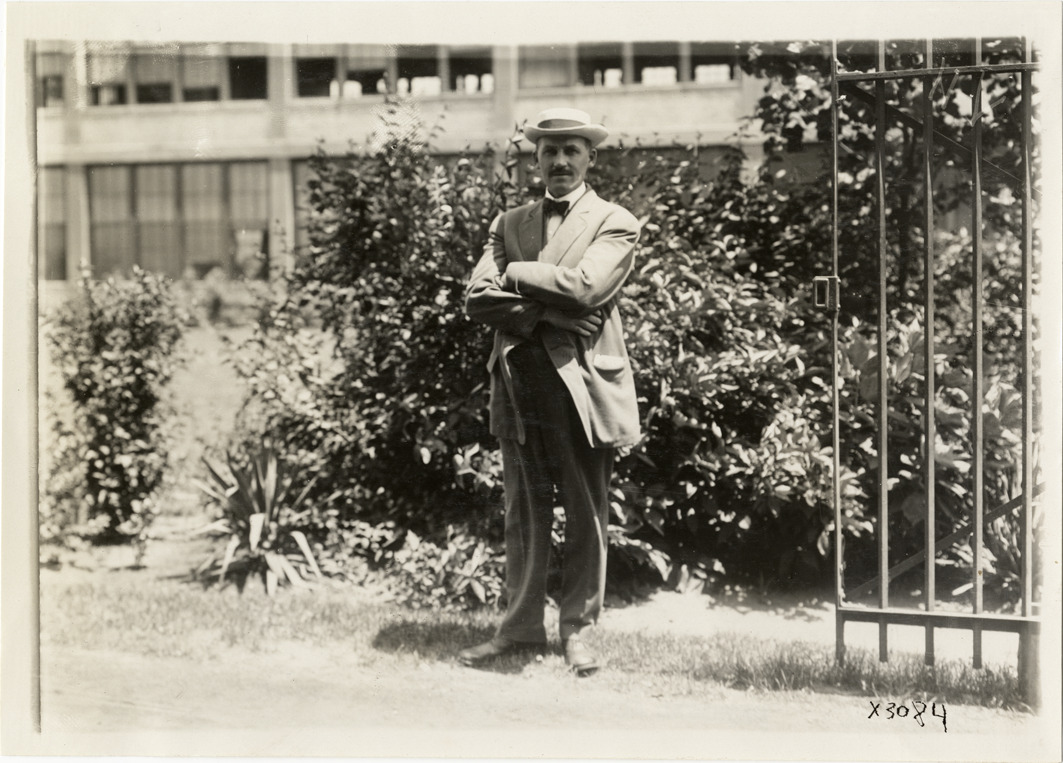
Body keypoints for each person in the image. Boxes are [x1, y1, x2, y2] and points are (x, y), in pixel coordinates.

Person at [460, 108, 642, 676]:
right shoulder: (508, 223)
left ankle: (577, 633)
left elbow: (585, 287)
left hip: (583, 385)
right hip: (519, 382)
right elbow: (476, 298)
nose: (560, 161)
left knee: (585, 511)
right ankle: (518, 630)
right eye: (549, 152)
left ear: (591, 158)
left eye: (572, 150)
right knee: (524, 512)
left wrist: (515, 275)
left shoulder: (615, 221)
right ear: (535, 160)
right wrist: (546, 315)